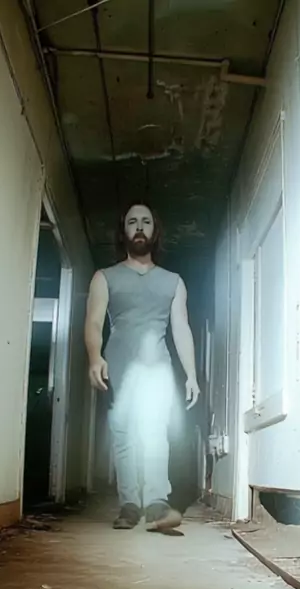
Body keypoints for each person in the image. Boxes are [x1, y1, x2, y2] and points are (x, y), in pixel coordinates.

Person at [84, 202, 200, 531]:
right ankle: (129, 505)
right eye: (132, 221)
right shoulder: (104, 277)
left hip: (157, 367)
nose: (139, 227)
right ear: (123, 232)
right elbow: (94, 322)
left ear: (154, 231)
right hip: (119, 365)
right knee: (124, 435)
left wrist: (191, 374)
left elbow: (181, 328)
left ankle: (156, 503)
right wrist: (95, 357)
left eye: (146, 221)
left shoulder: (173, 282)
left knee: (155, 432)